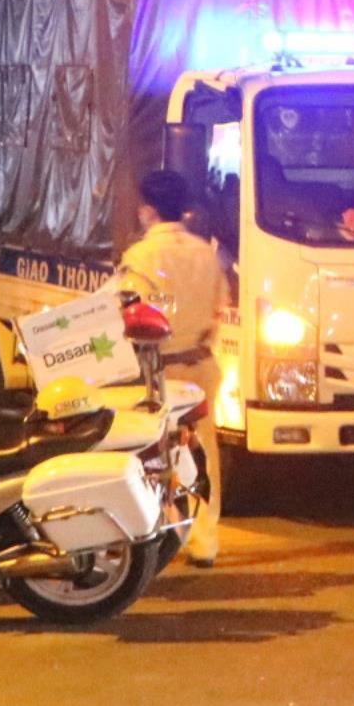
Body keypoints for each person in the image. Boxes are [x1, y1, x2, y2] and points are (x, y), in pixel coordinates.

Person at [120, 170, 229, 568]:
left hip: (159, 371)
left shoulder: (139, 257)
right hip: (201, 366)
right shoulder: (205, 252)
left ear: (148, 210)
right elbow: (221, 303)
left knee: (151, 455)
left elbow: (130, 315)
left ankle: (158, 532)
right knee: (203, 453)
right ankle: (205, 539)